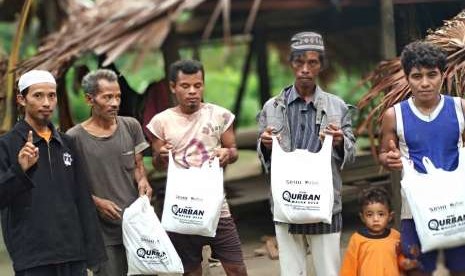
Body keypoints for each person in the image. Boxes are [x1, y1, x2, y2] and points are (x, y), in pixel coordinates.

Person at [257, 31, 356, 276]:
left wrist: (339, 142)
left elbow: (350, 154)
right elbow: (263, 158)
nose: (305, 69)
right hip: (286, 204)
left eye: (312, 62)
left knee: (328, 271)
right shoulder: (272, 107)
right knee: (292, 272)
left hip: (325, 206)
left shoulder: (337, 106)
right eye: (299, 62)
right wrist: (266, 145)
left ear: (321, 65)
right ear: (290, 63)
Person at [147, 59, 248, 276]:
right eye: (185, 86)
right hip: (181, 207)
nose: (192, 91)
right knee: (190, 271)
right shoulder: (160, 122)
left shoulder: (220, 115)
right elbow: (156, 162)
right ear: (173, 87)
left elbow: (233, 151)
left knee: (237, 268)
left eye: (198, 85)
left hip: (216, 207)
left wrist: (227, 153)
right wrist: (160, 155)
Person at [0, 70, 106, 275]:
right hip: (33, 257)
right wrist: (19, 170)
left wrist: (92, 254)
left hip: (73, 254)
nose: (47, 103)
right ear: (22, 99)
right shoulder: (6, 145)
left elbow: (82, 198)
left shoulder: (67, 143)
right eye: (38, 95)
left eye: (52, 95)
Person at [379, 41, 465, 276]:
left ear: (442, 74)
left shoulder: (460, 109)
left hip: (456, 203)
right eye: (417, 76)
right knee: (414, 267)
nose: (425, 83)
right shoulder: (394, 115)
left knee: (460, 268)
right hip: (415, 207)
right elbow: (384, 154)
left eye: (432, 75)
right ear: (407, 77)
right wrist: (390, 158)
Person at [66, 69, 152, 276]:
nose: (115, 103)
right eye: (107, 97)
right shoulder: (73, 138)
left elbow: (138, 165)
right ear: (89, 99)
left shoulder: (131, 126)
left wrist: (143, 181)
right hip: (102, 233)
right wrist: (96, 202)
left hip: (137, 226)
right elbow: (70, 185)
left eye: (118, 97)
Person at [340, 187, 402, 275]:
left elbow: (401, 259)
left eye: (381, 214)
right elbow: (349, 267)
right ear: (362, 217)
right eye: (369, 215)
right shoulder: (357, 239)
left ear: (390, 216)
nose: (375, 219)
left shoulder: (396, 236)